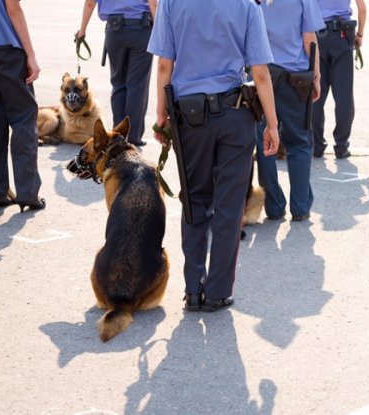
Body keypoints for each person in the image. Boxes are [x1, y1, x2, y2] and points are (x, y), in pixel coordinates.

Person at [148, 0, 280, 312]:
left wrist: (161, 113)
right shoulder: (247, 6)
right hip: (234, 116)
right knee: (229, 206)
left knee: (194, 201)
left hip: (189, 117)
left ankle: (193, 290)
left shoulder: (171, 3)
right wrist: (272, 124)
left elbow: (165, 65)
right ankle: (218, 292)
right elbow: (260, 73)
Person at [0, 0, 45, 211]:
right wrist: (31, 54)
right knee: (23, 117)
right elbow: (13, 9)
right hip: (5, 48)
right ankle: (28, 193)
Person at [256, 0, 324, 222]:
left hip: (262, 74)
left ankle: (273, 206)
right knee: (299, 142)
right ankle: (300, 206)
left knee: (264, 143)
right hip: (294, 78)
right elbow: (309, 39)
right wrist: (316, 75)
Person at [77, 0, 157, 147]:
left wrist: (82, 31)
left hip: (115, 31)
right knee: (137, 86)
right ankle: (133, 136)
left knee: (118, 84)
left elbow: (90, 3)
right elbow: (153, 3)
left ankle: (118, 135)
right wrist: (160, 33)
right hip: (141, 29)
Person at [312, 0, 367, 159]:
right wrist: (360, 35)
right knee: (344, 96)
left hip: (316, 35)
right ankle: (341, 146)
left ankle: (317, 145)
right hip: (342, 35)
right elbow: (362, 8)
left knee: (316, 94)